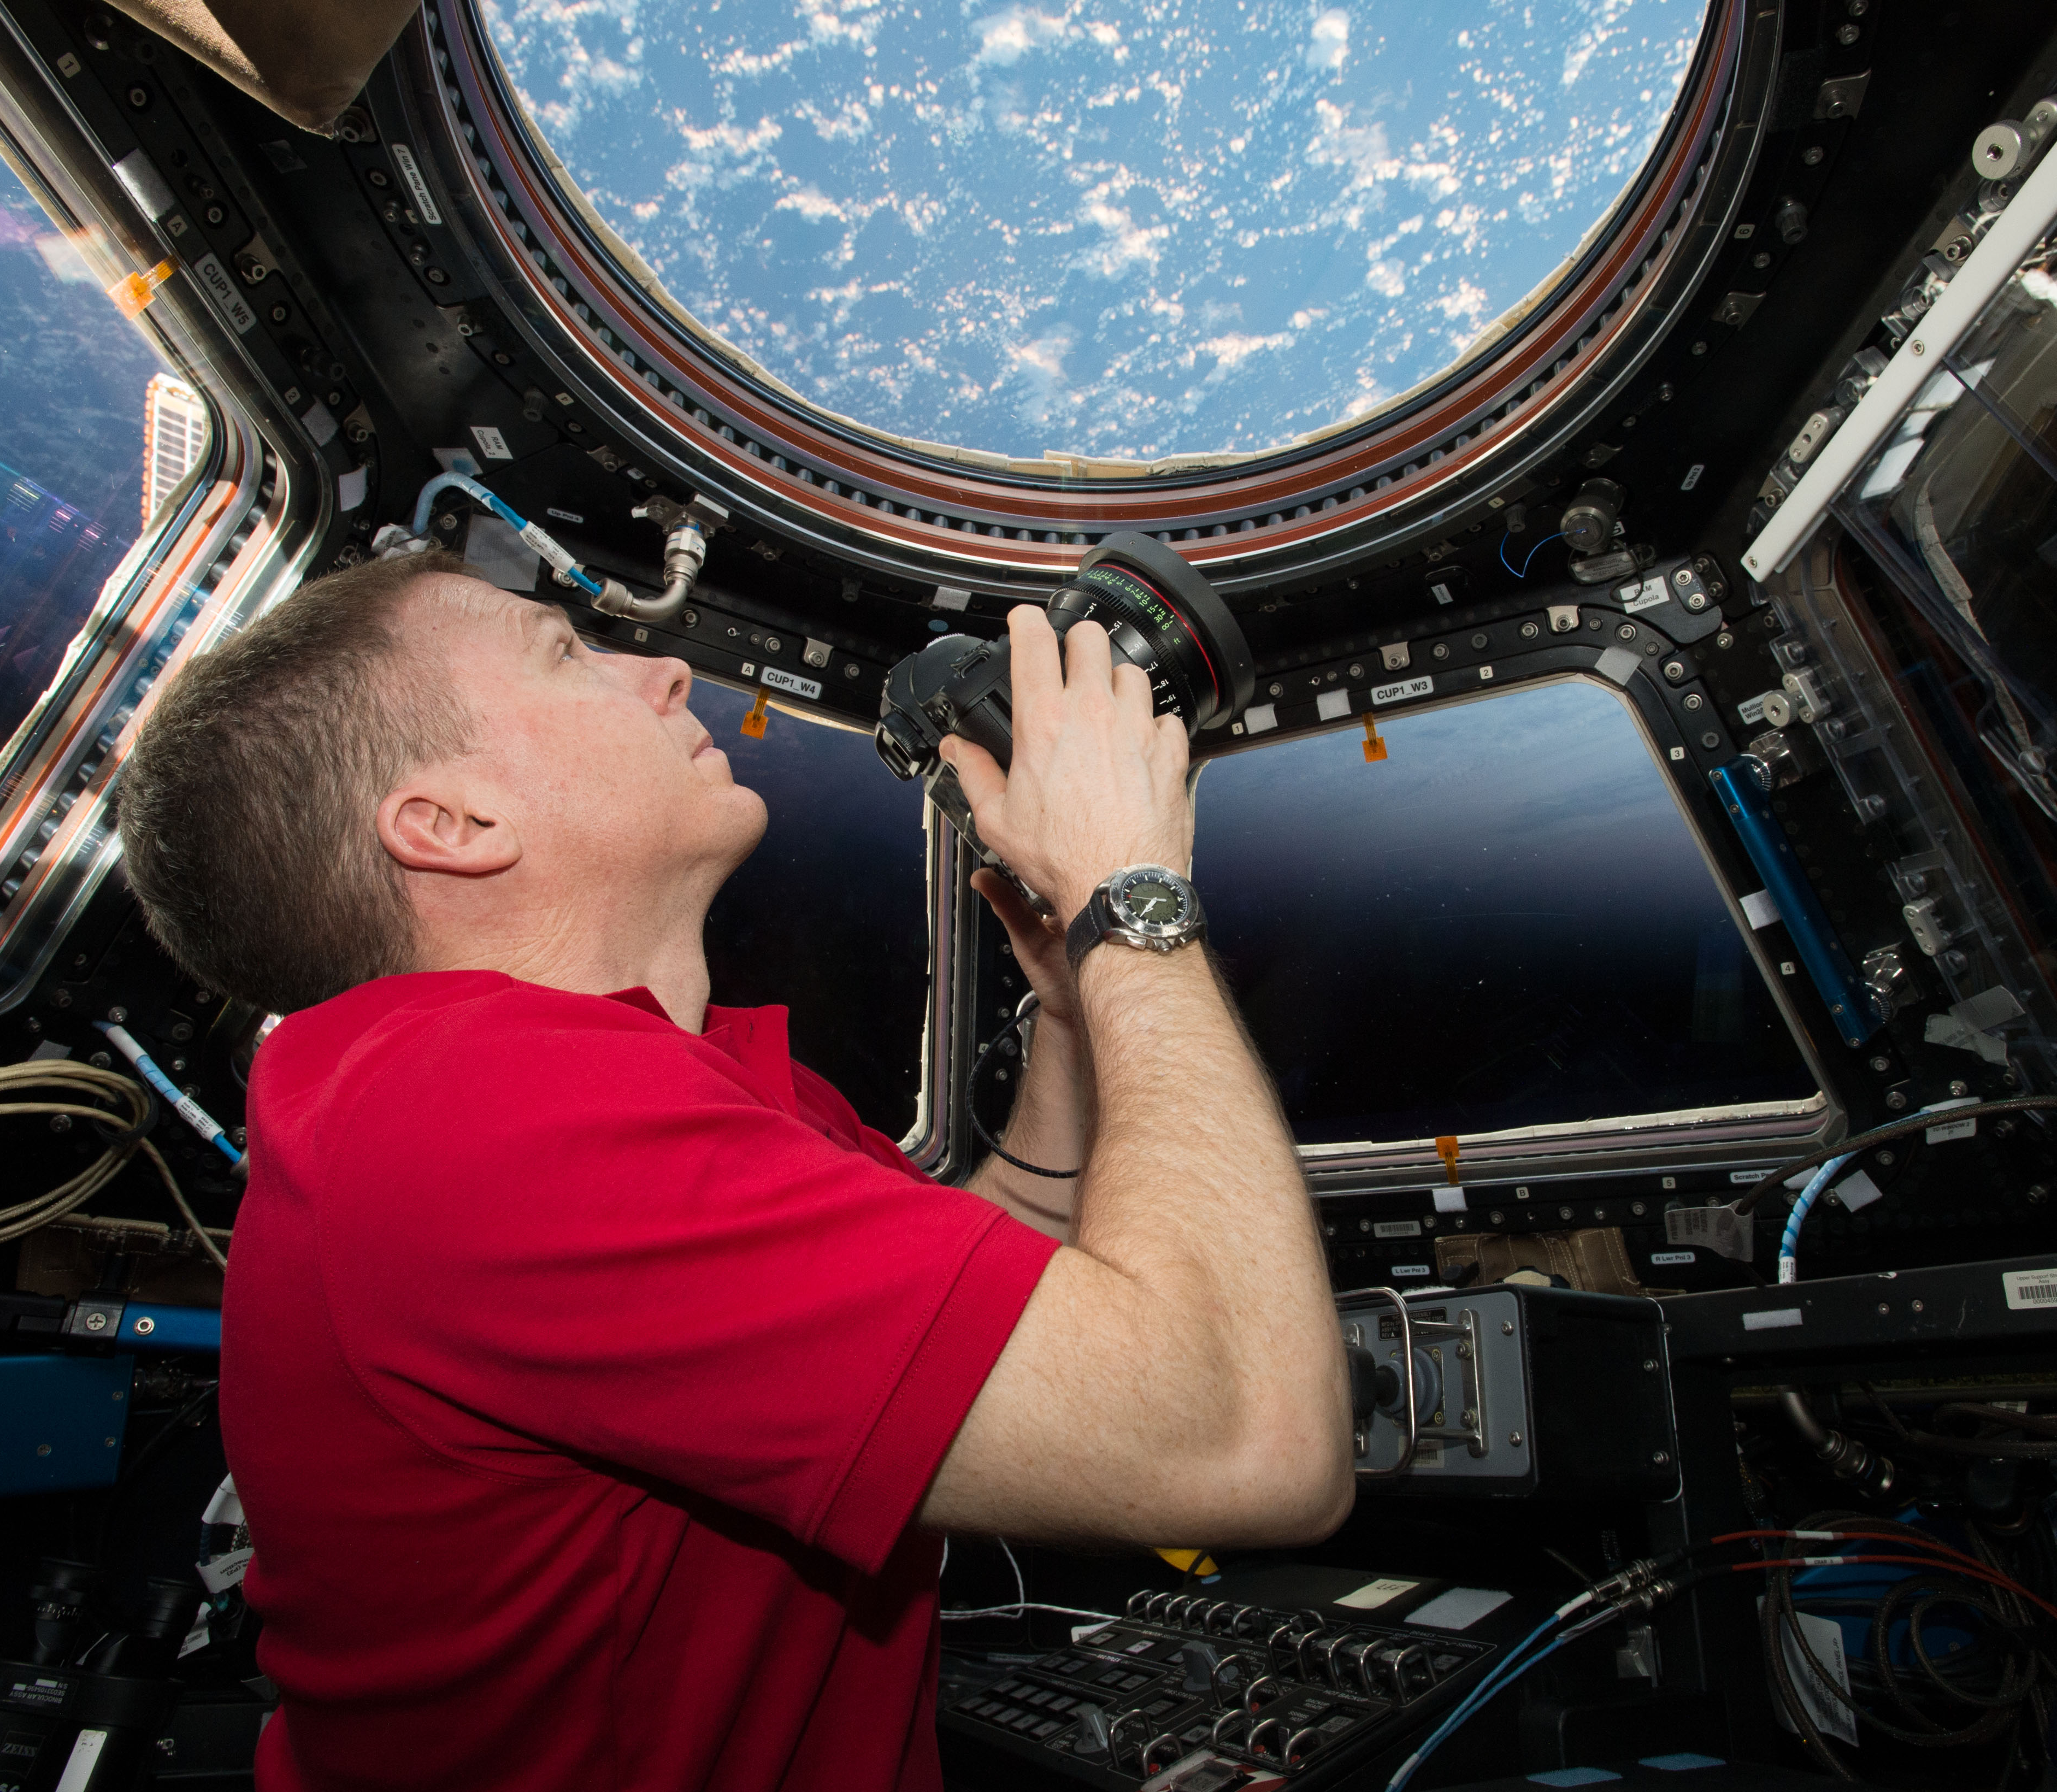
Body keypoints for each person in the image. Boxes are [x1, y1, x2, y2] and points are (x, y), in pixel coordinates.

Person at [111, 548, 1351, 1790]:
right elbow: (1247, 1438)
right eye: (564, 651)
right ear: (454, 824)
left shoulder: (660, 1086)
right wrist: (1126, 888)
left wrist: (1082, 1007)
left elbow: (982, 1310)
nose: (664, 668)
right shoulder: (472, 1117)